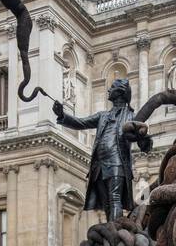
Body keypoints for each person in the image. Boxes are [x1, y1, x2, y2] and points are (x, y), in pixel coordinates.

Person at [53, 77, 151, 221]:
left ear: (120, 92)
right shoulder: (103, 116)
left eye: (112, 87)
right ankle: (111, 228)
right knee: (106, 204)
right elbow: (81, 123)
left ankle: (116, 229)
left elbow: (143, 143)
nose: (109, 90)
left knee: (115, 198)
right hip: (99, 165)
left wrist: (144, 139)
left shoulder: (131, 117)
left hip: (117, 162)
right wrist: (62, 115)